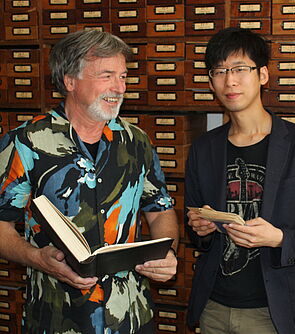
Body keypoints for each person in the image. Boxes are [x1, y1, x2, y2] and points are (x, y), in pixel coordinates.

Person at [0, 30, 178, 333]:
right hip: (57, 317)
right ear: (70, 81)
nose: (119, 87)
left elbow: (160, 211)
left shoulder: (136, 142)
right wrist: (36, 258)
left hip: (130, 317)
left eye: (122, 76)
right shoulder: (25, 143)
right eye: (107, 76)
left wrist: (167, 254)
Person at [184, 27, 295, 334]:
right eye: (219, 71)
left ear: (263, 75)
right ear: (211, 81)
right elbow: (196, 227)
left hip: (272, 310)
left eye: (240, 69)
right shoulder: (204, 148)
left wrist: (278, 238)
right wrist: (200, 228)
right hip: (213, 306)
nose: (230, 81)